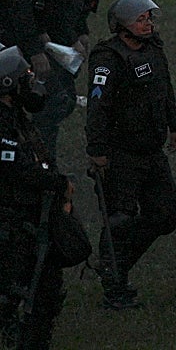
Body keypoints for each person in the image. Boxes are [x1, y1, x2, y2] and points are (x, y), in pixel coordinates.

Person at [84, 0, 176, 310]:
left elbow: (165, 87)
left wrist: (175, 124)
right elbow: (98, 106)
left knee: (166, 215)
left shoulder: (154, 49)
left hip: (151, 150)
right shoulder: (108, 58)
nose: (147, 24)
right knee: (120, 219)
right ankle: (114, 285)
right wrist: (97, 150)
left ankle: (118, 262)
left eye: (148, 18)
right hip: (120, 153)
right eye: (140, 20)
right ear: (122, 25)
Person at [0, 45, 73, 350]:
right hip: (13, 218)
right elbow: (14, 168)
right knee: (17, 287)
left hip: (26, 215)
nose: (30, 83)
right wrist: (57, 182)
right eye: (24, 77)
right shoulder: (3, 123)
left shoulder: (15, 116)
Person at [40, 0, 116, 163]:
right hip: (51, 42)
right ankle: (42, 158)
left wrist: (81, 32)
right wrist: (72, 37)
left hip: (65, 40)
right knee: (56, 102)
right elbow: (54, 8)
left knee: (63, 100)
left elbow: (77, 1)